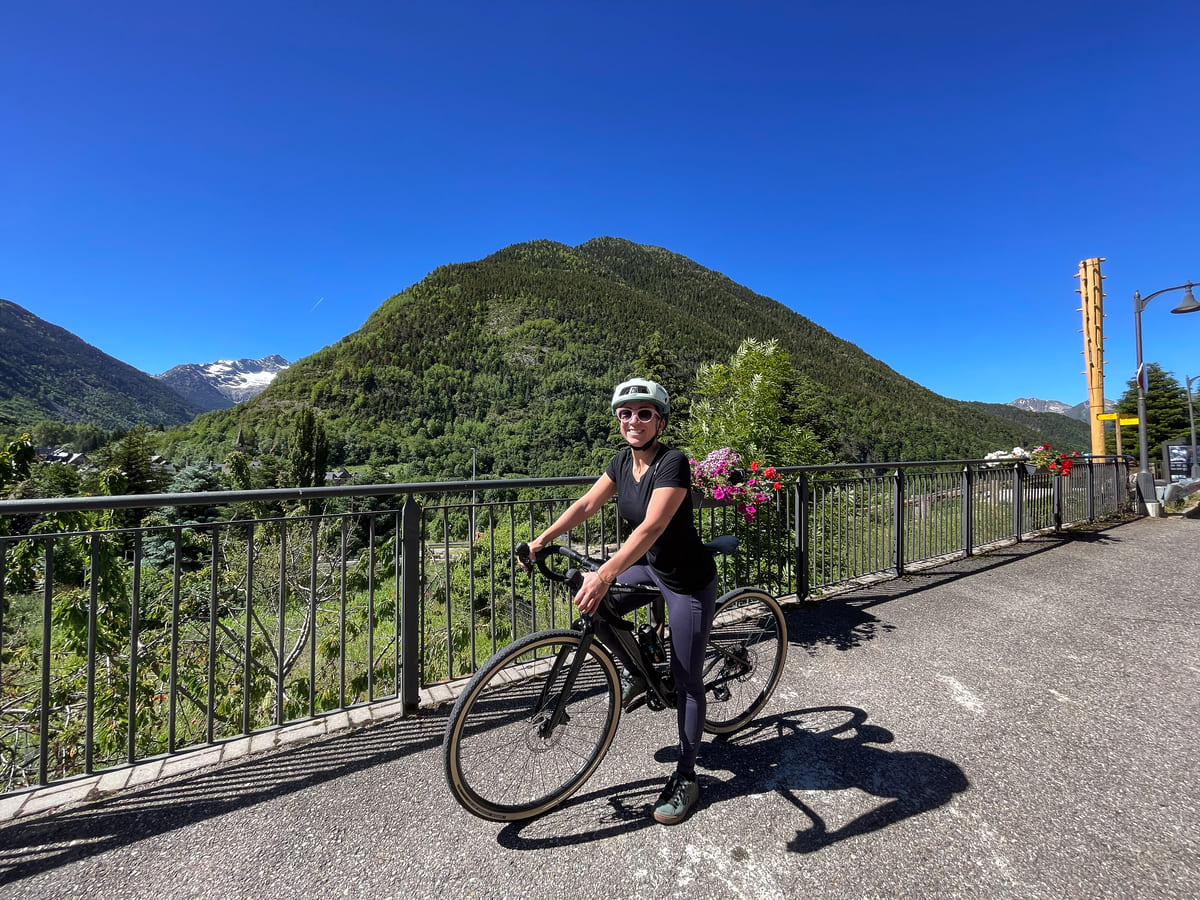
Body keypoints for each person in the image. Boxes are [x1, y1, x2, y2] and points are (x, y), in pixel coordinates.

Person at [525, 377, 718, 825]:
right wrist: (542, 539)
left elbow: (651, 526)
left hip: (686, 579)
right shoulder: (619, 462)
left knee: (688, 682)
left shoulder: (672, 463)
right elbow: (586, 505)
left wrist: (606, 572)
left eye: (644, 413)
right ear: (618, 420)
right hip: (649, 566)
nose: (634, 420)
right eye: (625, 413)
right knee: (596, 607)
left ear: (660, 420)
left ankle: (687, 777)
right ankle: (637, 668)